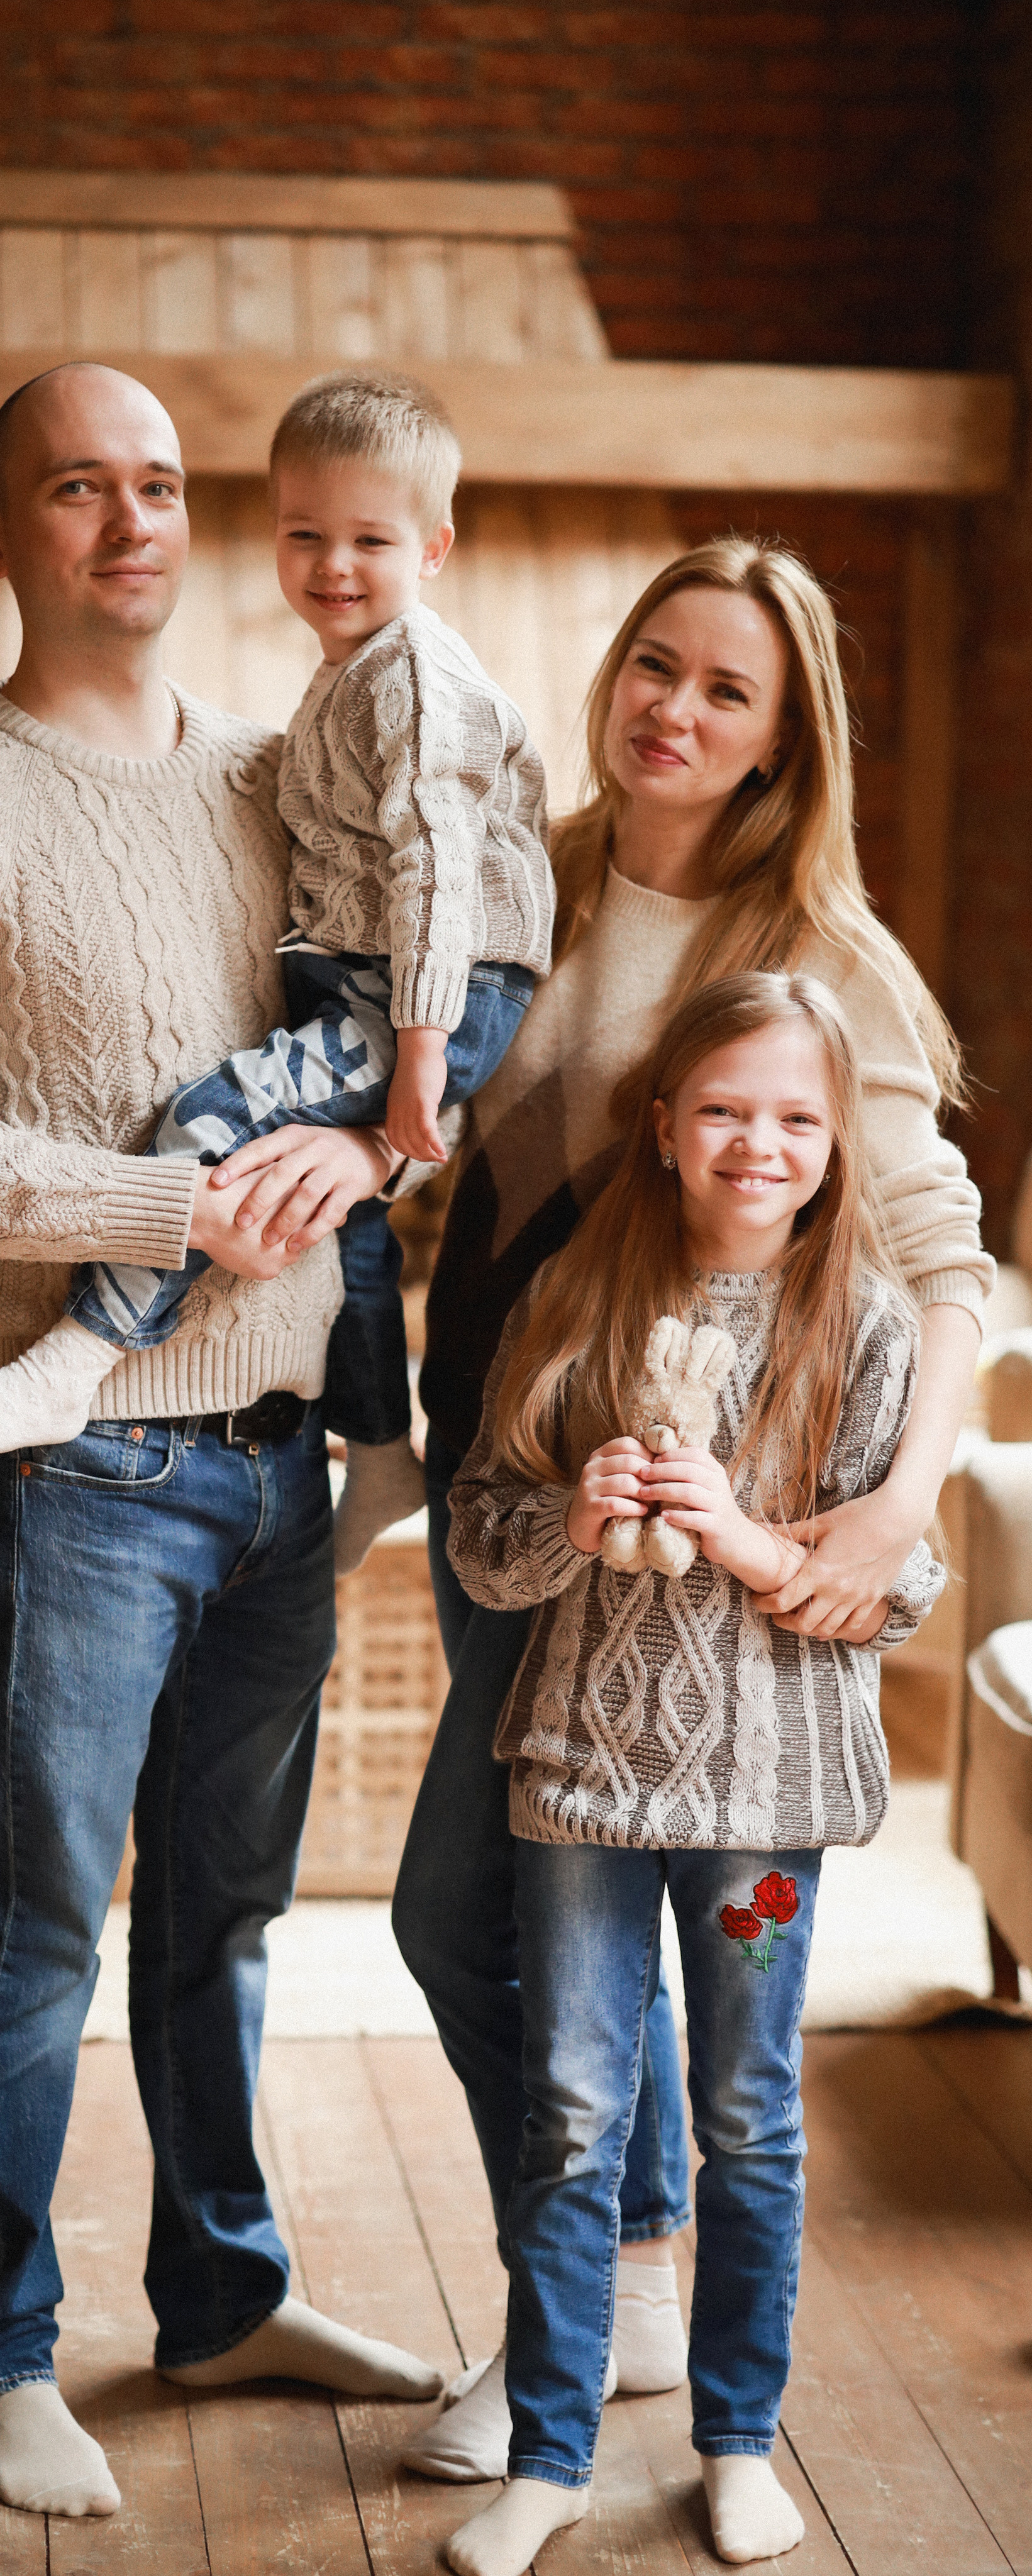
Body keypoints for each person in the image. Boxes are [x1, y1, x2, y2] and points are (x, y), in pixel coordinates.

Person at [0, 360, 446, 2523]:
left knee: (225, 1918)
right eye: (78, 487)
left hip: (289, 1465)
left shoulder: (284, 776)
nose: (131, 522)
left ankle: (220, 2292)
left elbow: (385, 1032)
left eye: (163, 485)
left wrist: (371, 1153)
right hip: (87, 1469)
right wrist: (169, 1204)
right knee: (34, 1928)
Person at [391, 536, 992, 2483]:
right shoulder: (530, 880)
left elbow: (941, 1258)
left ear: (780, 739)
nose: (674, 708)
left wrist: (895, 1505)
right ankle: (618, 2289)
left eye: (729, 690)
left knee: (465, 1911)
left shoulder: (820, 952)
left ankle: (626, 2293)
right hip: (523, 1464)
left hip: (703, 1513)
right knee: (499, 1914)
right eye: (657, 662)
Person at [440, 971, 942, 2576]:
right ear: (662, 1127)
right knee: (573, 2113)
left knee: (747, 2113)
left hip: (764, 1807)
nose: (756, 1143)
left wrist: (736, 1534)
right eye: (724, 1109)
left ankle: (735, 2442)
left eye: (795, 1116)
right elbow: (482, 1539)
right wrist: (571, 1517)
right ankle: (549, 2457)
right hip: (583, 1782)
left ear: (835, 1139)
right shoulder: (573, 1298)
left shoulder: (866, 1322)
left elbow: (901, 1589)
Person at [0, 370, 556, 1576]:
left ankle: (76, 1356)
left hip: (426, 987)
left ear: (434, 547)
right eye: (305, 536)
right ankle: (382, 1449)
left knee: (210, 1114)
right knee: (352, 1230)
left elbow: (436, 866)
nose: (334, 565)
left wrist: (414, 1073)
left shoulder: (407, 680)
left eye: (370, 541)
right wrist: (372, 1148)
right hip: (384, 986)